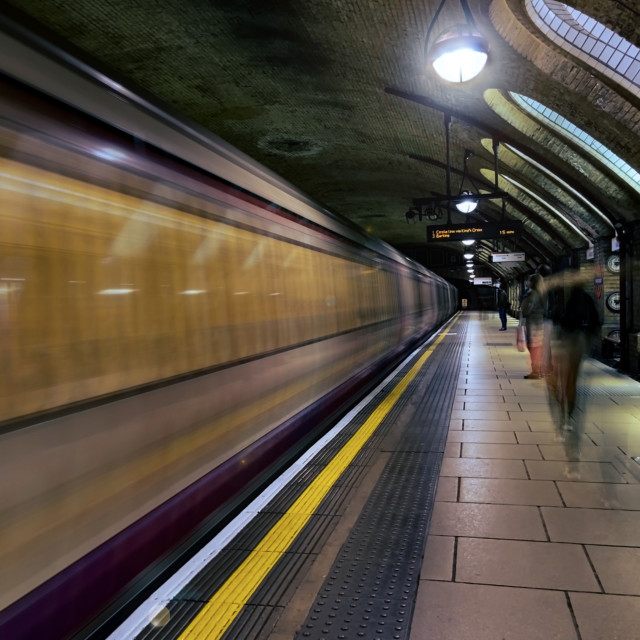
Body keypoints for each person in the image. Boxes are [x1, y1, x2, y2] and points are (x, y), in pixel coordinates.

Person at [520, 273, 544, 379]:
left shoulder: (532, 294)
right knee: (538, 348)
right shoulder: (542, 293)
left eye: (529, 280)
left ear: (533, 282)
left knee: (533, 347)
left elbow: (526, 310)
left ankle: (535, 371)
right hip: (539, 323)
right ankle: (539, 370)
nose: (527, 282)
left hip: (533, 324)